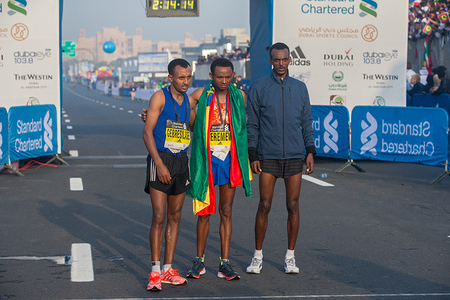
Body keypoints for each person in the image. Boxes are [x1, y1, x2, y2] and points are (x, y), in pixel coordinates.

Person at [245, 42, 315, 275]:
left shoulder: (300, 87)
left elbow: (307, 121)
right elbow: (252, 123)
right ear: (270, 61)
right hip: (267, 156)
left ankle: (290, 257)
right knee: (264, 205)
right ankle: (257, 256)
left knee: (293, 205)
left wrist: (310, 151)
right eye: (277, 60)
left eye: (284, 59)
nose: (281, 64)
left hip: (295, 155)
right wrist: (253, 153)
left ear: (289, 60)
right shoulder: (259, 87)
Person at [186, 58, 252, 281]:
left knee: (226, 211)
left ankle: (225, 263)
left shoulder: (239, 97)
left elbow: (242, 129)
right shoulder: (198, 96)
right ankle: (199, 260)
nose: (223, 81)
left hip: (229, 160)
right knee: (204, 212)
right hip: (207, 159)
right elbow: (185, 115)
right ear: (211, 76)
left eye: (227, 76)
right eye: (219, 76)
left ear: (233, 75)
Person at [143, 58, 196, 292]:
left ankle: (168, 268)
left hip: (181, 161)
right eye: (181, 77)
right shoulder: (159, 97)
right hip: (161, 160)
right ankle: (154, 271)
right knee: (159, 216)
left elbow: (193, 125)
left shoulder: (189, 101)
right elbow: (146, 133)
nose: (186, 81)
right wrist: (159, 164)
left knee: (175, 216)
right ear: (170, 78)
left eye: (189, 77)